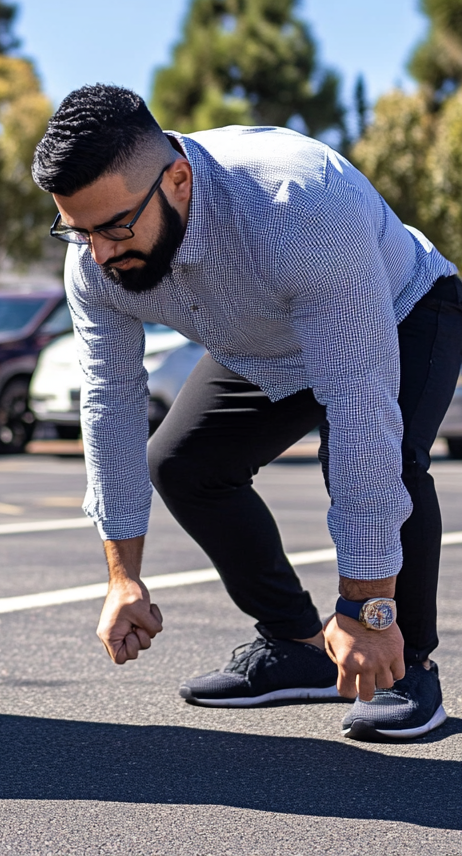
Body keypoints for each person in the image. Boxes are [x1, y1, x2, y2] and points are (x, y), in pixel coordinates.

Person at [31, 84, 462, 742]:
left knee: (387, 459)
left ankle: (404, 667)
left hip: (403, 308)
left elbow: (358, 403)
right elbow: (110, 398)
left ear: (178, 179)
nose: (100, 254)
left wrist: (365, 606)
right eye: (78, 229)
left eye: (115, 227)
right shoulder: (95, 257)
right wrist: (123, 576)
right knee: (184, 463)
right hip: (267, 341)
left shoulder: (299, 202)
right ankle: (298, 645)